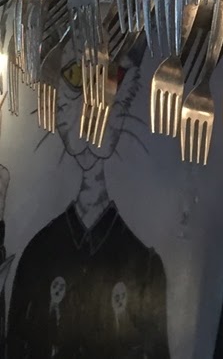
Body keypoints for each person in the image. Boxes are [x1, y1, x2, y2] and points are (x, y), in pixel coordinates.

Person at [5, 37, 170, 358]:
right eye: (75, 76)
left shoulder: (145, 267)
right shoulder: (37, 254)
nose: (92, 110)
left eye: (111, 79)